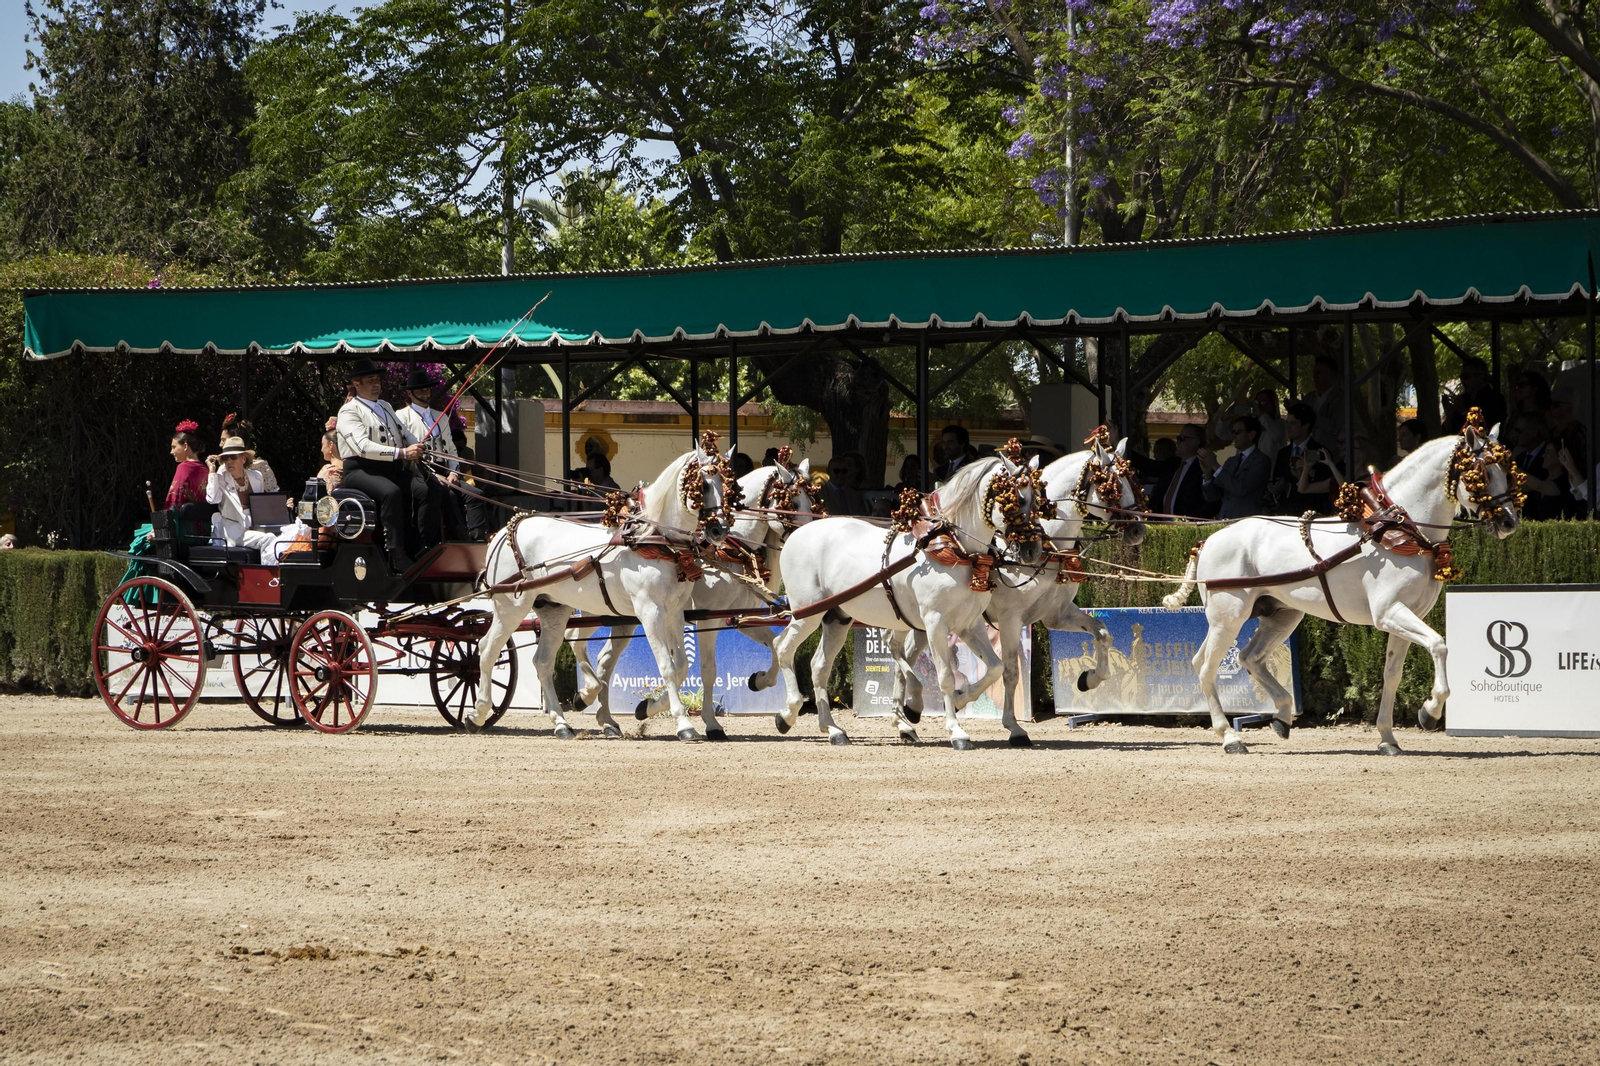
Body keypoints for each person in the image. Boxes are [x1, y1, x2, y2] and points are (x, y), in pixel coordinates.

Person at [336, 357, 428, 571]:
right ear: (357, 384)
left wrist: (419, 448)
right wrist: (403, 453)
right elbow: (363, 447)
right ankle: (396, 554)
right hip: (360, 469)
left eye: (377, 379)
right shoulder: (349, 411)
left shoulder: (385, 406)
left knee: (424, 489)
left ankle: (421, 545)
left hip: (389, 468)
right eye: (370, 380)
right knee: (391, 492)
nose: (376, 384)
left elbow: (404, 433)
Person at [394, 367, 467, 541]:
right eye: (420, 390)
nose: (426, 393)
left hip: (445, 471)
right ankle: (434, 542)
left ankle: (476, 538)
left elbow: (452, 449)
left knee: (475, 495)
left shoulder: (440, 416)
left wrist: (453, 473)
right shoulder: (401, 416)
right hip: (420, 472)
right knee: (445, 495)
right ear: (410, 393)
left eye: (427, 389)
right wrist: (433, 475)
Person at [205, 436, 280, 563]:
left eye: (233, 457)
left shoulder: (257, 476)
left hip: (255, 527)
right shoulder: (220, 478)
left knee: (287, 536)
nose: (229, 461)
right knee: (269, 539)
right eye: (225, 458)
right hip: (233, 531)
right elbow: (212, 499)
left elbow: (260, 506)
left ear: (243, 459)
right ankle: (270, 577)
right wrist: (212, 472)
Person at [1200, 415, 1271, 518]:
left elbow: (1242, 489)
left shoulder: (1262, 460)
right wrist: (1207, 475)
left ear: (1251, 435)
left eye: (1237, 432)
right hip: (1225, 520)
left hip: (1246, 522)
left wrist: (1215, 465)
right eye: (1232, 432)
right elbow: (1213, 496)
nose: (1233, 436)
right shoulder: (1231, 461)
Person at [1269, 402, 1332, 515]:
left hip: (1312, 514)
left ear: (1305, 426)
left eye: (1292, 423)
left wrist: (1300, 478)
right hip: (1285, 515)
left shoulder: (1321, 452)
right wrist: (1276, 489)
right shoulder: (1283, 453)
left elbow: (1323, 491)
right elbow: (1277, 479)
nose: (1288, 427)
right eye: (1287, 422)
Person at [1151, 423, 1218, 519]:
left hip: (1186, 528)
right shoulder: (1172, 464)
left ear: (1196, 442)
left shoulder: (1203, 467)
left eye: (1182, 438)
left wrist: (1191, 523)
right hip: (1161, 525)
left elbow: (1212, 505)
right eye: (1178, 438)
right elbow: (1149, 466)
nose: (1177, 442)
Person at [1510, 412, 1569, 520]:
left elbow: (1537, 485)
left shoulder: (1564, 483)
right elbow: (1520, 488)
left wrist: (1509, 465)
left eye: (1520, 431)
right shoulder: (1520, 458)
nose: (1544, 456)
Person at [164, 419, 213, 536]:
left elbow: (174, 500)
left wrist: (162, 525)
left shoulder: (184, 467)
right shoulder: (205, 469)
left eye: (174, 447)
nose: (172, 452)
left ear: (185, 446)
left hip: (184, 529)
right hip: (204, 530)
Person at [1442, 356, 1507, 433]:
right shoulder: (1464, 399)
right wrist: (1450, 415)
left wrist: (1463, 412)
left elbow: (1489, 431)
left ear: (1480, 376)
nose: (1463, 381)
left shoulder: (1495, 399)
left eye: (1466, 377)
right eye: (1461, 378)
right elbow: (1447, 432)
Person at [219, 413, 279, 492]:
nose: (220, 444)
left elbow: (273, 497)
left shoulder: (261, 467)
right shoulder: (223, 469)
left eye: (224, 440)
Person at [1307, 356, 1346, 447]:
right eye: (1314, 373)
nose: (1314, 377)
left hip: (1330, 453)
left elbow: (1336, 427)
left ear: (1330, 374)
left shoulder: (1342, 398)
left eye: (1319, 373)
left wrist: (1310, 415)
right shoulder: (1309, 397)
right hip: (1309, 452)